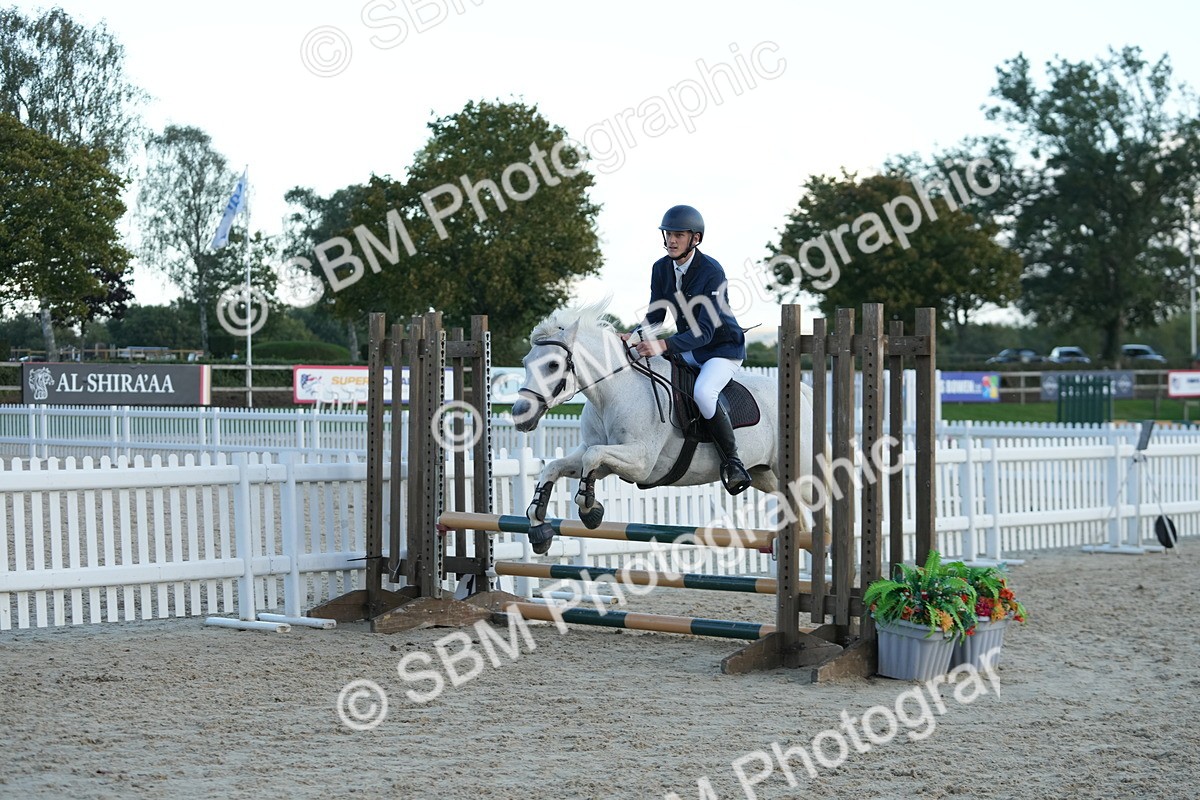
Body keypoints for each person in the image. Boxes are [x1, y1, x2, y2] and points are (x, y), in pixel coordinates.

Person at [620, 204, 751, 495]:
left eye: (679, 235)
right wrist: (632, 338)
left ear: (696, 239)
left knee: (704, 392)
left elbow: (704, 333)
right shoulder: (661, 268)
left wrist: (664, 345)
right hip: (689, 346)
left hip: (721, 349)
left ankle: (733, 461)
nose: (671, 240)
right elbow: (655, 318)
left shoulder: (712, 272)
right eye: (668, 234)